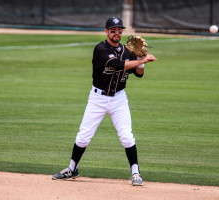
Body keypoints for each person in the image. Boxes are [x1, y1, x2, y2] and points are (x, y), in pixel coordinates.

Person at [52, 17, 157, 186]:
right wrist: (141, 60)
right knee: (83, 136)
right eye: (113, 30)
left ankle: (135, 173)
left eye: (119, 30)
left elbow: (138, 74)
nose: (117, 33)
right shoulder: (100, 48)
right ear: (106, 32)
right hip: (97, 99)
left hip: (119, 99)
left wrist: (142, 59)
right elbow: (115, 64)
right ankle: (72, 169)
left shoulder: (127, 50)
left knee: (127, 136)